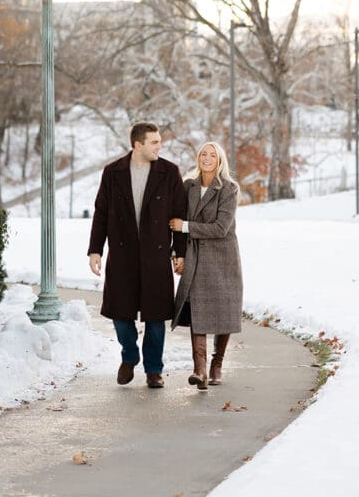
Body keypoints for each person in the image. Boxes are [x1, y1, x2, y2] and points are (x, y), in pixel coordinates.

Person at [88, 121, 187, 389]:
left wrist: (180, 251)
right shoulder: (113, 172)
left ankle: (154, 369)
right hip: (122, 255)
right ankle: (129, 356)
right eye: (154, 142)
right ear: (138, 144)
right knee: (121, 314)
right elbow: (102, 213)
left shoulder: (169, 172)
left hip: (156, 257)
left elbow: (179, 214)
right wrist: (95, 249)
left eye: (160, 142)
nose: (159, 146)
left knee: (156, 317)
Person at [169, 141, 243, 390]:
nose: (207, 158)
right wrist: (177, 254)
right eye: (203, 154)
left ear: (220, 160)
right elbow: (176, 223)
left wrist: (187, 226)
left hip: (222, 258)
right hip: (195, 256)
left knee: (224, 309)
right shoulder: (188, 185)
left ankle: (216, 363)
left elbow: (221, 228)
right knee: (197, 308)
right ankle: (199, 369)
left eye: (212, 155)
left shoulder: (229, 189)